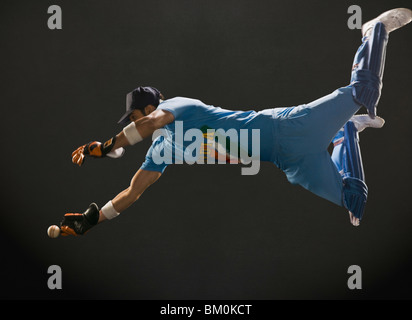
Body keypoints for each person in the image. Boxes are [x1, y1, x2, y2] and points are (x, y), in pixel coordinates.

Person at [60, 8, 412, 236]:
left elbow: (152, 122)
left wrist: (108, 147)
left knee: (364, 91)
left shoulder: (178, 105)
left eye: (136, 116)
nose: (138, 122)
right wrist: (93, 220)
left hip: (285, 127)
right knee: (355, 203)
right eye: (133, 120)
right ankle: (345, 133)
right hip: (288, 161)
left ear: (150, 105)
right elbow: (132, 192)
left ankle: (373, 31)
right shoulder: (163, 149)